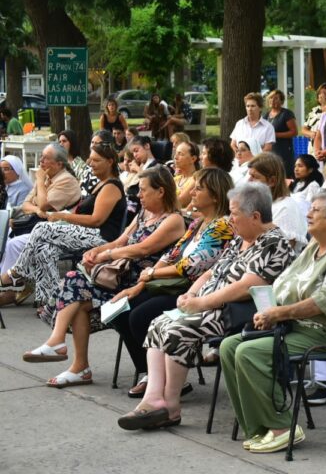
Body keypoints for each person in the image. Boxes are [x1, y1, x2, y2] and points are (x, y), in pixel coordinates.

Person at [116, 182, 296, 431]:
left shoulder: (273, 243)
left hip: (238, 312)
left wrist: (200, 303)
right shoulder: (241, 238)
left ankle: (170, 407)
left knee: (177, 329)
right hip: (209, 305)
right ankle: (153, 399)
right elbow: (212, 272)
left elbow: (246, 287)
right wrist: (190, 294)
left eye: (234, 214)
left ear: (255, 216)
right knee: (158, 323)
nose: (230, 219)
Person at [220, 187, 326, 452]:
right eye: (310, 208)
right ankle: (259, 427)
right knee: (229, 346)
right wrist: (270, 311)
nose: (308, 214)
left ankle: (281, 427)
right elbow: (284, 283)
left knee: (249, 352)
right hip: (295, 325)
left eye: (316, 210)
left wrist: (280, 313)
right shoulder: (314, 246)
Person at [22, 167, 186, 387]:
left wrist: (105, 256)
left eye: (143, 190)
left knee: (76, 290)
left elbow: (143, 249)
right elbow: (119, 242)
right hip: (119, 278)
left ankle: (67, 353)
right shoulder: (143, 214)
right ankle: (68, 355)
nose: (139, 195)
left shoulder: (174, 220)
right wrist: (95, 252)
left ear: (161, 192)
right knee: (75, 285)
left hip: (142, 282)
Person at [0, 144, 82, 304]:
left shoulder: (66, 181)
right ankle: (16, 283)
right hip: (38, 226)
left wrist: (39, 183)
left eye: (46, 158)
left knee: (13, 245)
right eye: (42, 157)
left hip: (56, 232)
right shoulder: (46, 178)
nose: (41, 161)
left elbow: (44, 204)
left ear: (59, 163)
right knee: (5, 238)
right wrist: (37, 209)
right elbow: (26, 205)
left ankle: (9, 289)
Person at [247, 152, 307, 252]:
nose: (249, 181)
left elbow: (281, 251)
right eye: (250, 175)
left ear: (272, 181)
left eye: (255, 177)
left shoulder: (286, 208)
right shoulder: (259, 204)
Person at [264, 89, 297, 178]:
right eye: (271, 98)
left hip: (283, 151)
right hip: (270, 151)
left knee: (283, 175)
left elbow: (294, 132)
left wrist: (276, 135)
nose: (272, 100)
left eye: (276, 98)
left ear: (281, 101)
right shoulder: (266, 115)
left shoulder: (286, 114)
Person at [300, 83, 326, 155]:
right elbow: (304, 129)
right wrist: (311, 134)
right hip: (312, 148)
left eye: (324, 93)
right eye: (319, 93)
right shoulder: (314, 111)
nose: (320, 95)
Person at [172, 141, 201, 208]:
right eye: (175, 153)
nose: (175, 157)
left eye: (180, 154)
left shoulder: (196, 179)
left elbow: (180, 202)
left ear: (193, 159)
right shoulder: (176, 178)